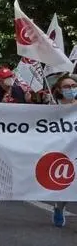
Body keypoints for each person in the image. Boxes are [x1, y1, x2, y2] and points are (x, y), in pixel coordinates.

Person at [51, 74, 77, 227]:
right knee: (66, 184)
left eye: (74, 86)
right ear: (60, 90)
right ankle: (59, 208)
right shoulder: (53, 106)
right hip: (62, 150)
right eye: (67, 86)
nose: (71, 89)